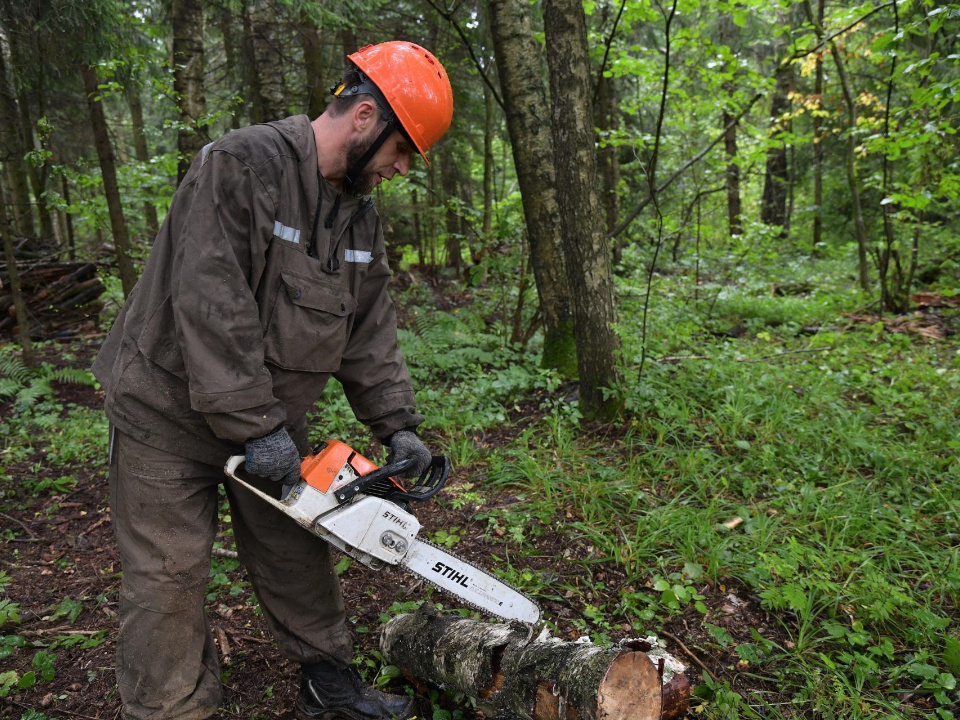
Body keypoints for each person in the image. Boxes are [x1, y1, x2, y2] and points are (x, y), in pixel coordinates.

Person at [91, 41, 453, 720]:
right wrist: (257, 425)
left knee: (297, 550)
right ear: (366, 116)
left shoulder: (358, 213)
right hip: (165, 415)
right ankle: (171, 711)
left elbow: (367, 327)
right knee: (166, 580)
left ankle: (328, 687)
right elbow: (210, 301)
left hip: (269, 423)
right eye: (401, 150)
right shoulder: (241, 165)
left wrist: (397, 424)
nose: (401, 168)